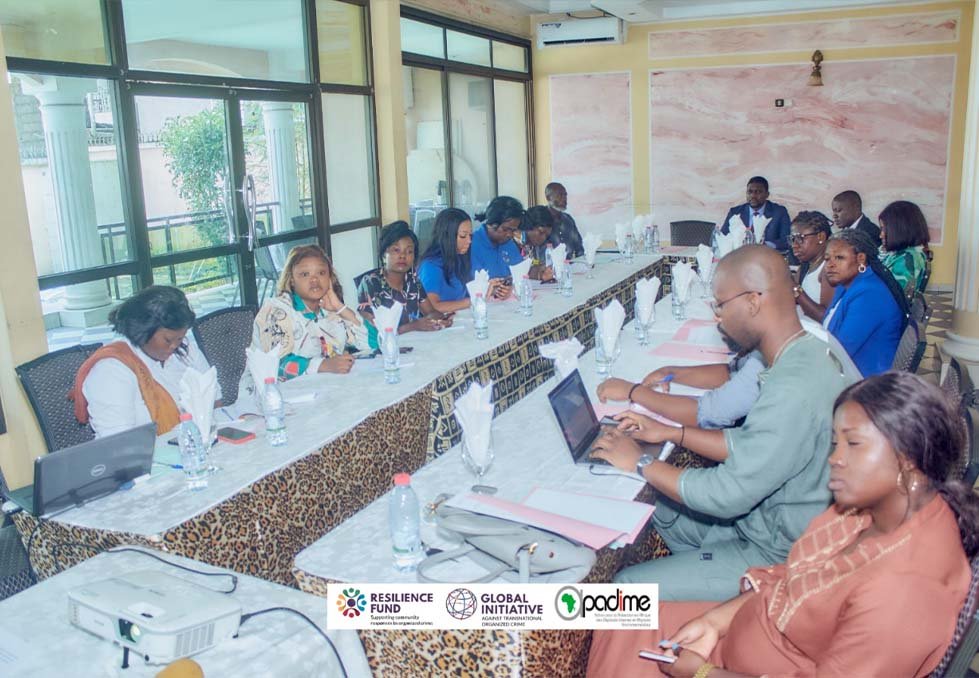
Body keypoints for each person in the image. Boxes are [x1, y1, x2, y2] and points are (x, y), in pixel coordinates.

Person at [587, 372, 977, 678]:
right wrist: (715, 621)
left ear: (908, 460)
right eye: (835, 444)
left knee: (598, 609)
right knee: (606, 609)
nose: (834, 459)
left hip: (741, 666)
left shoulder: (906, 593)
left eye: (853, 445)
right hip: (741, 634)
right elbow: (791, 577)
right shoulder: (873, 509)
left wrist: (704, 672)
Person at [590, 246, 853, 601]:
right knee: (660, 510)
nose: (717, 318)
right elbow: (753, 444)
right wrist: (672, 433)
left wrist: (639, 461)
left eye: (720, 305)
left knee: (625, 590)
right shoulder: (804, 351)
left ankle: (712, 609)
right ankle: (699, 593)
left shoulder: (792, 387)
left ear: (753, 301)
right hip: (766, 519)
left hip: (781, 552)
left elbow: (725, 495)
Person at [72, 286, 219, 437]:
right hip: (143, 450)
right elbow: (118, 440)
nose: (175, 346)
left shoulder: (185, 351)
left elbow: (215, 402)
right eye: (168, 340)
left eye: (180, 338)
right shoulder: (111, 371)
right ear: (142, 331)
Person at [251, 245, 368, 381]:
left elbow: (369, 345)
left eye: (321, 273)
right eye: (305, 274)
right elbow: (276, 364)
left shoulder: (329, 309)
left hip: (323, 385)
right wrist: (323, 365)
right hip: (274, 390)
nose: (314, 280)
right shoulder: (277, 311)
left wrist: (340, 308)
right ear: (292, 280)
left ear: (330, 278)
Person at [823, 229, 909, 377]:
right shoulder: (846, 285)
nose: (830, 264)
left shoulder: (869, 294)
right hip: (848, 370)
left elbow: (841, 350)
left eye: (839, 258)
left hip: (867, 380)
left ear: (861, 259)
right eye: (827, 259)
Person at [357, 221, 452, 335]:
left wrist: (439, 319)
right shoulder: (370, 282)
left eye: (409, 251)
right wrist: (414, 326)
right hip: (385, 345)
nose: (403, 256)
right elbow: (376, 331)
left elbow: (430, 311)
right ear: (383, 255)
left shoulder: (412, 279)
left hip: (415, 341)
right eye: (396, 250)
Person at [417, 208, 501, 314]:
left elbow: (471, 289)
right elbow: (432, 307)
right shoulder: (431, 265)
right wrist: (473, 300)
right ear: (447, 236)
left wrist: (489, 288)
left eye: (470, 235)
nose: (469, 241)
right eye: (463, 236)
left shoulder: (461, 258)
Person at [469, 196, 524, 298]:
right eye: (505, 229)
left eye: (513, 230)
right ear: (492, 223)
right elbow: (473, 282)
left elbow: (519, 273)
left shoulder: (509, 243)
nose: (510, 235)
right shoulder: (471, 244)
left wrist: (510, 287)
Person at [719, 177, 792, 251]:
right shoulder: (735, 212)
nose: (753, 195)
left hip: (767, 255)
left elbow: (787, 240)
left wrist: (766, 245)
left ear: (767, 194)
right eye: (750, 192)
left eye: (758, 192)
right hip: (741, 255)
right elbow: (723, 238)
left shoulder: (779, 212)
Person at [878, 199, 931, 296]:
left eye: (883, 229)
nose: (880, 235)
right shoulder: (901, 253)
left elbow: (887, 296)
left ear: (898, 229)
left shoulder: (908, 259)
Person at [790, 211, 834, 322]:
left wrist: (795, 288)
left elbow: (826, 317)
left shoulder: (829, 268)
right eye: (792, 239)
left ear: (821, 237)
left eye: (800, 238)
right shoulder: (806, 264)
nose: (794, 245)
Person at [545, 182, 585, 258]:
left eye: (565, 195)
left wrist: (583, 261)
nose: (564, 198)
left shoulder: (568, 219)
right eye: (560, 195)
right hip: (547, 264)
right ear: (548, 198)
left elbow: (579, 248)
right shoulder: (541, 220)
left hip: (570, 263)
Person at [518, 206, 556, 281]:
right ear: (529, 226)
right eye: (541, 232)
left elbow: (542, 266)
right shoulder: (515, 242)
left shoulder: (539, 245)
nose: (543, 238)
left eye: (547, 236)